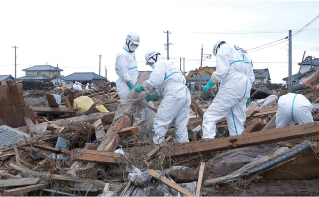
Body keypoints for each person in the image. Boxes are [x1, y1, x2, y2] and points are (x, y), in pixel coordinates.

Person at [135, 50, 191, 144]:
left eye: (149, 62)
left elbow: (155, 81)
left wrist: (143, 87)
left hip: (174, 93)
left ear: (154, 57)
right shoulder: (168, 64)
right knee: (180, 124)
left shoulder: (160, 63)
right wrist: (154, 95)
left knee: (160, 121)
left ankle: (158, 147)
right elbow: (165, 85)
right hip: (183, 93)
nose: (150, 64)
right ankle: (184, 146)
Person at [202, 41, 255, 139]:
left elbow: (222, 70)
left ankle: (207, 144)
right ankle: (238, 146)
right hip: (245, 86)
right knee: (237, 120)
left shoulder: (223, 49)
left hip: (232, 85)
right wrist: (247, 93)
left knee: (210, 116)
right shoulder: (243, 52)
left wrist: (210, 83)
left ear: (216, 49)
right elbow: (251, 75)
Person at [115, 32, 140, 102]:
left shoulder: (131, 54)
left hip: (133, 86)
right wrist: (130, 85)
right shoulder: (122, 54)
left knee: (134, 109)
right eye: (133, 44)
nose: (134, 46)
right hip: (125, 87)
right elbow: (123, 73)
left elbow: (133, 71)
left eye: (136, 45)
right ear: (127, 41)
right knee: (126, 107)